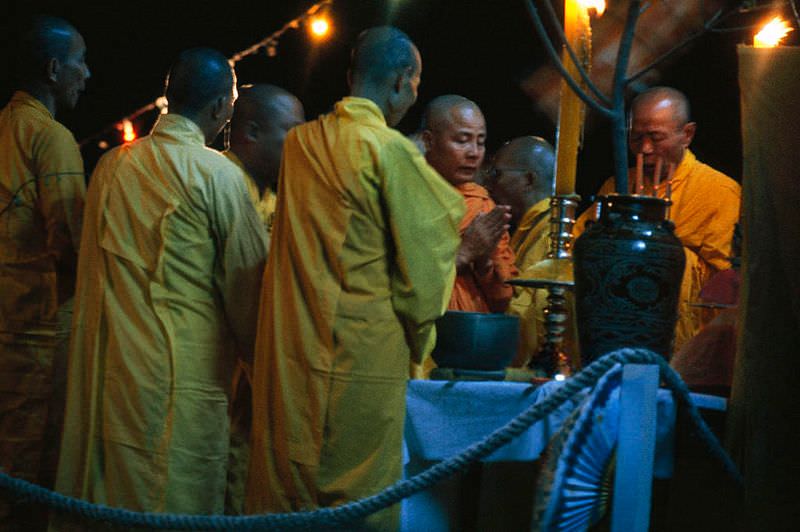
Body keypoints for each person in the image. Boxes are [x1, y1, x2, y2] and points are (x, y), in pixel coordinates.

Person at [245, 27, 464, 529]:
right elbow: (426, 267)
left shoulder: (301, 144)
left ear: (349, 78)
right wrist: (422, 338)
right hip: (362, 356)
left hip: (294, 345)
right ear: (403, 82)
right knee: (356, 499)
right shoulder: (389, 151)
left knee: (290, 482)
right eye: (415, 84)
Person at [53, 48, 268, 521]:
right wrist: (265, 372)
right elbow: (249, 296)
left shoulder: (111, 169)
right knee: (171, 502)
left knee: (112, 505)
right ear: (221, 108)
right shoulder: (218, 177)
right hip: (183, 385)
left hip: (111, 381)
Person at [0, 15, 89, 528]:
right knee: (28, 478)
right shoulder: (49, 137)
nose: (88, 73)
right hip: (35, 335)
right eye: (81, 60)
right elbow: (68, 242)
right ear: (55, 69)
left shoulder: (5, 127)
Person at [576, 86, 741, 352]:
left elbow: (730, 281)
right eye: (636, 137)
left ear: (687, 134)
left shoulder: (718, 192)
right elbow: (580, 245)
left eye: (656, 137)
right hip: (614, 332)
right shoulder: (618, 186)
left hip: (686, 344)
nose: (645, 149)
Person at [223, 83, 304, 514]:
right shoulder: (219, 182)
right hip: (218, 360)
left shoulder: (277, 195)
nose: (300, 144)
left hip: (260, 367)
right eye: (290, 132)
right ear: (251, 131)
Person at [483, 136, 576, 368]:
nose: (488, 184)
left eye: (496, 174)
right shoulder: (529, 229)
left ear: (528, 179)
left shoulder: (552, 237)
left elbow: (534, 319)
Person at [421, 94, 517, 313]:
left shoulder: (482, 205)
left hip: (468, 332)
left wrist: (484, 263)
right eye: (462, 141)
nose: (474, 153)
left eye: (480, 142)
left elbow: (503, 299)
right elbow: (402, 282)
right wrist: (465, 253)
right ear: (429, 141)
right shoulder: (405, 195)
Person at [226, 83, 305, 233]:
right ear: (252, 132)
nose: (302, 143)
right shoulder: (214, 184)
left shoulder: (275, 204)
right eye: (294, 132)